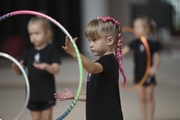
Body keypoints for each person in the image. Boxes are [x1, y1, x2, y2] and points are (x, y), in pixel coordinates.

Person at [54, 16, 126, 120]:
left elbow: (92, 68)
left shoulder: (109, 61)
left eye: (95, 40)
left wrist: (75, 53)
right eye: (89, 40)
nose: (90, 45)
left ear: (110, 40)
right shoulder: (100, 63)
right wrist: (75, 96)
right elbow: (95, 96)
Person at [12, 16, 61, 120]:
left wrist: (46, 66)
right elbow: (20, 73)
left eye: (37, 33)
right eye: (31, 34)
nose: (33, 37)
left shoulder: (51, 51)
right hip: (32, 93)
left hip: (47, 93)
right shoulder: (28, 52)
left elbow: (56, 69)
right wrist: (17, 68)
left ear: (47, 33)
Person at [122, 16, 161, 120]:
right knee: (142, 99)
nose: (135, 29)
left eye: (138, 27)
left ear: (146, 29)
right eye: (134, 27)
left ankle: (150, 118)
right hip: (138, 75)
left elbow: (157, 58)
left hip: (148, 75)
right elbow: (122, 53)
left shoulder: (152, 44)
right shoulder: (134, 43)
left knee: (149, 98)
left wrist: (154, 67)